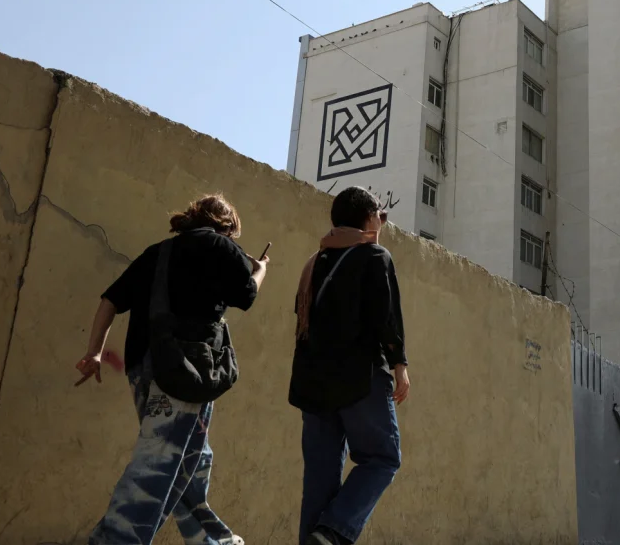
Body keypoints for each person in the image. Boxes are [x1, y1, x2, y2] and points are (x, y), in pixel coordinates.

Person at [76, 194, 269, 545]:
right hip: (185, 372)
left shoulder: (158, 252)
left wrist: (95, 352)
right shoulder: (222, 247)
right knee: (158, 462)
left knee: (190, 461)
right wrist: (260, 270)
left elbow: (110, 301)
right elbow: (247, 296)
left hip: (144, 368)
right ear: (227, 226)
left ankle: (213, 541)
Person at [291, 186, 410, 545]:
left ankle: (318, 537)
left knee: (320, 479)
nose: (382, 221)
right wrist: (399, 364)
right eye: (380, 215)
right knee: (382, 458)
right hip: (359, 377)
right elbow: (385, 316)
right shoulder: (374, 255)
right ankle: (334, 530)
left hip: (312, 382)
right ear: (369, 218)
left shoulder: (314, 263)